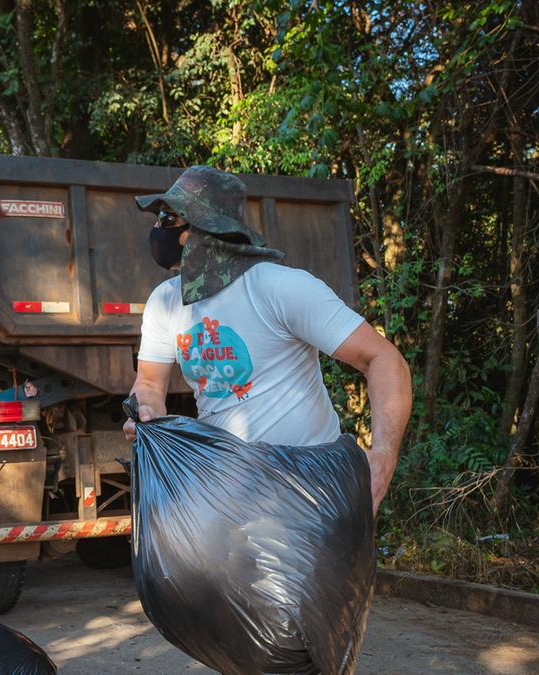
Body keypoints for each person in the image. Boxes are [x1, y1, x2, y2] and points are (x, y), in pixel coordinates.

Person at [123, 166, 411, 515]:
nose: (157, 230)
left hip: (307, 491)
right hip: (225, 491)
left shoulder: (279, 287)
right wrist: (147, 410)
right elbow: (150, 382)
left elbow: (382, 359)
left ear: (205, 229)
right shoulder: (164, 302)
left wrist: (382, 457)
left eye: (167, 218)